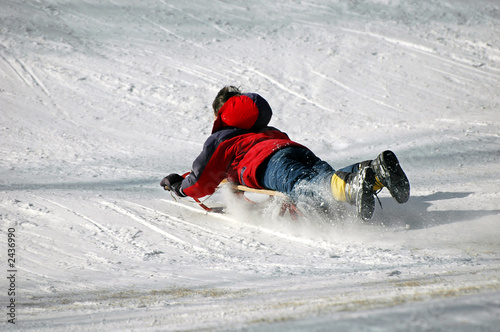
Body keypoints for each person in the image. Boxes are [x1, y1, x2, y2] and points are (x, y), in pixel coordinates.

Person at [161, 86, 410, 221]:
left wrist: (179, 186)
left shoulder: (223, 138)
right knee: (323, 176)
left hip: (267, 163)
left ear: (221, 115)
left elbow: (203, 177)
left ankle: (350, 188)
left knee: (303, 185)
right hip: (296, 151)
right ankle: (374, 171)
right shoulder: (268, 129)